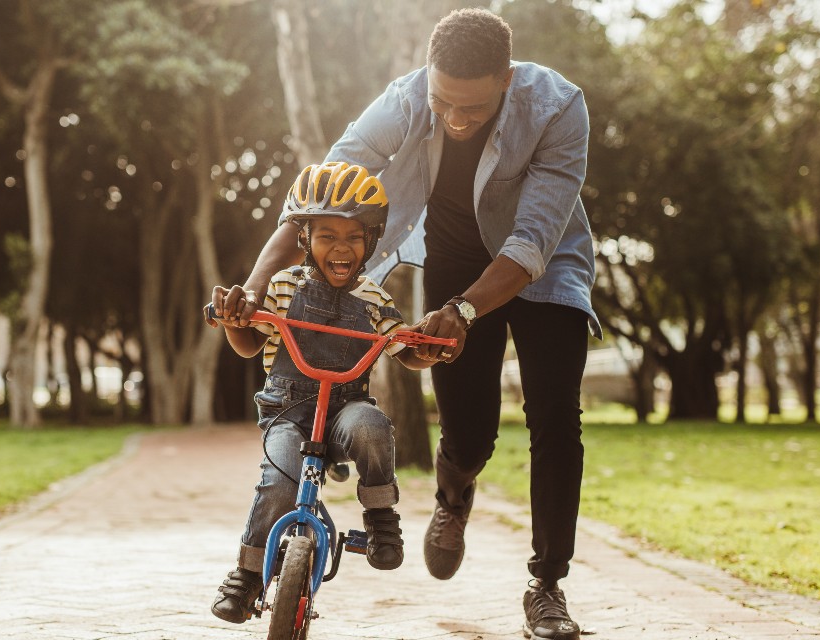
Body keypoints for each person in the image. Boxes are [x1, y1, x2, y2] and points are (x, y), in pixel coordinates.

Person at [222, 9, 600, 639]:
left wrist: (466, 312)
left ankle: (548, 585)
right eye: (444, 102)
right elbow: (322, 194)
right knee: (470, 432)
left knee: (555, 415)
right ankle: (454, 494)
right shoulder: (404, 99)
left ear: (506, 79)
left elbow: (532, 240)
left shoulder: (559, 108)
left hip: (546, 263)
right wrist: (256, 283)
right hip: (455, 258)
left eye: (473, 109)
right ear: (429, 75)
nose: (455, 119)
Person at [208, 162, 438, 625]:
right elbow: (251, 342)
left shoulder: (374, 298)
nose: (341, 247)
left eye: (354, 237)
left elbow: (403, 349)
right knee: (279, 481)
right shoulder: (281, 286)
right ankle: (248, 574)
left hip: (345, 410)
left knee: (372, 427)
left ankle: (380, 517)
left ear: (371, 242)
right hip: (288, 412)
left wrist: (428, 348)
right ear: (304, 240)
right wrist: (235, 321)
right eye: (327, 235)